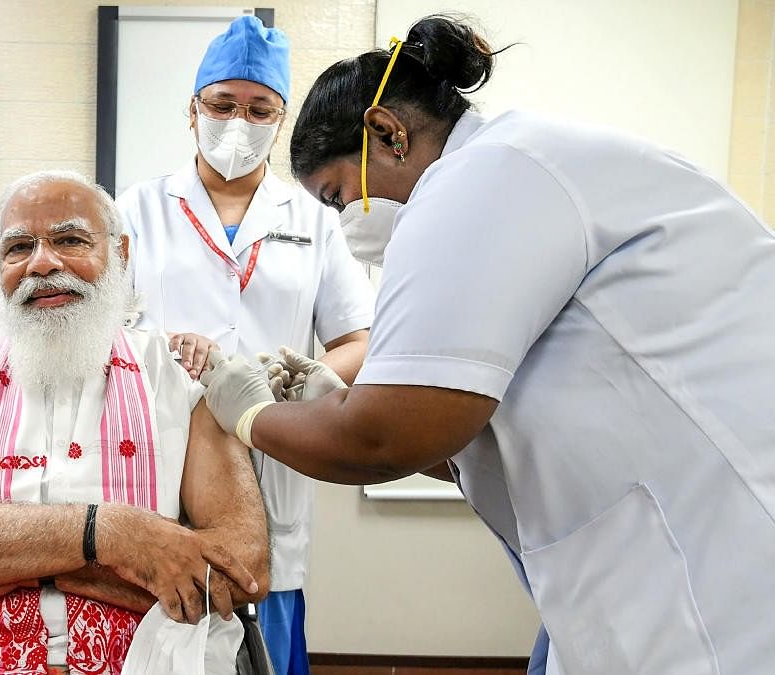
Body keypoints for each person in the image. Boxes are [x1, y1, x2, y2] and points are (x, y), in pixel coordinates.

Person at [198, 13, 775, 675]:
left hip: (719, 576)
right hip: (644, 562)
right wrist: (332, 401)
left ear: (387, 133)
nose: (344, 223)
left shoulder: (483, 178)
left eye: (337, 196)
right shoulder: (509, 172)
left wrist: (251, 413)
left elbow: (385, 438)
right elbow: (457, 436)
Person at [0, 170, 270, 675]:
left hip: (151, 656)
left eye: (69, 239)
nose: (42, 264)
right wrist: (112, 534)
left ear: (121, 254)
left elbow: (242, 568)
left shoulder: (182, 379)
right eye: (18, 248)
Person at [115, 16, 375, 674]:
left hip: (274, 451)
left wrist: (300, 373)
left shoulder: (315, 220)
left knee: (264, 623)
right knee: (156, 628)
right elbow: (103, 332)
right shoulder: (136, 210)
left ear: (280, 119)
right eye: (222, 104)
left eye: (259, 109)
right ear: (192, 110)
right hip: (161, 451)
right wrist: (158, 350)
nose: (239, 122)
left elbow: (358, 336)